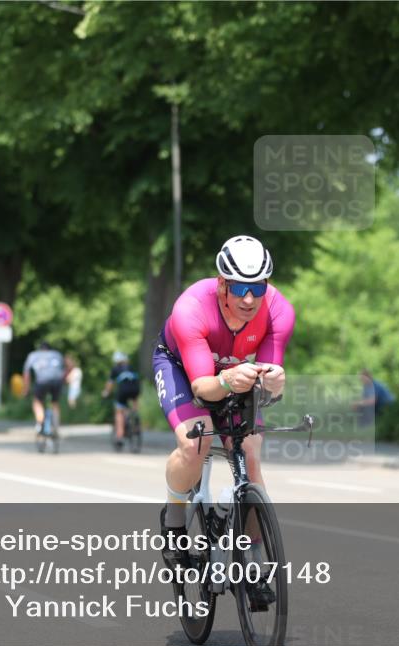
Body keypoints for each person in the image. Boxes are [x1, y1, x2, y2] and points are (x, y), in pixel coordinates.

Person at [152, 235, 293, 607]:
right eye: (240, 287)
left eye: (258, 287)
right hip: (185, 370)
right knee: (194, 443)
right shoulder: (191, 310)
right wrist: (229, 380)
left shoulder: (279, 311)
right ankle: (174, 523)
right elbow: (203, 387)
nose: (249, 298)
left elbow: (268, 383)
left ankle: (256, 562)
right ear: (221, 283)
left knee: (248, 448)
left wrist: (274, 383)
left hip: (234, 374)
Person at [22, 341, 66, 435]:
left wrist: (26, 389)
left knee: (37, 401)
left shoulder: (33, 355)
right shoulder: (57, 354)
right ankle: (56, 426)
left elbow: (27, 374)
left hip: (42, 381)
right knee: (55, 403)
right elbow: (64, 369)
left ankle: (40, 422)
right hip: (57, 381)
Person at [102, 350, 140, 450]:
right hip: (135, 388)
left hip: (123, 390)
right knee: (134, 400)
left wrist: (106, 393)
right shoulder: (130, 367)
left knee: (119, 412)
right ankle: (135, 421)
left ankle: (119, 436)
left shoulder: (115, 369)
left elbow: (110, 384)